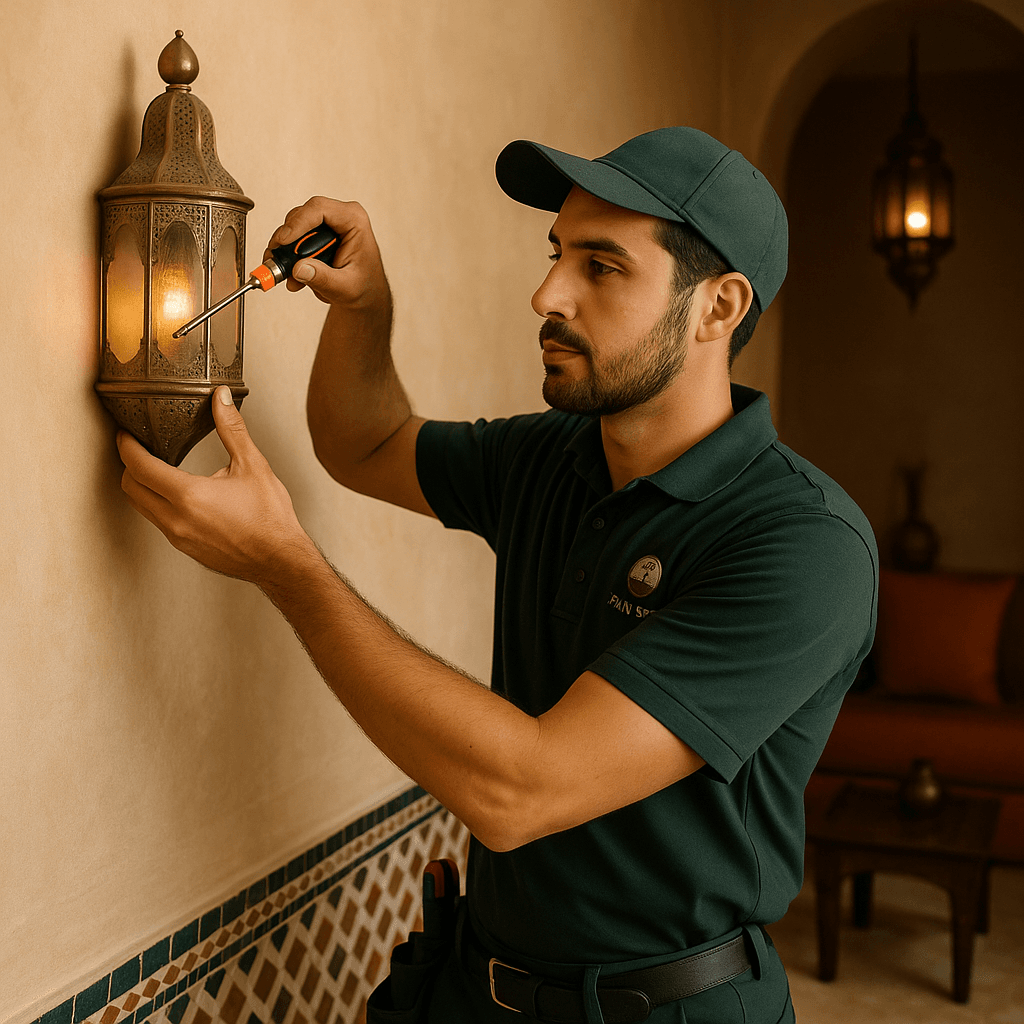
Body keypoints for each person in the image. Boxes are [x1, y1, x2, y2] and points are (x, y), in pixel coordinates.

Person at [117, 126, 878, 1024]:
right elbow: (368, 445)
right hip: (476, 987)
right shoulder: (556, 457)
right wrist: (364, 307)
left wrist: (286, 566)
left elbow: (523, 790)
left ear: (717, 307)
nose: (545, 293)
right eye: (557, 254)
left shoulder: (803, 544)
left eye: (601, 267)